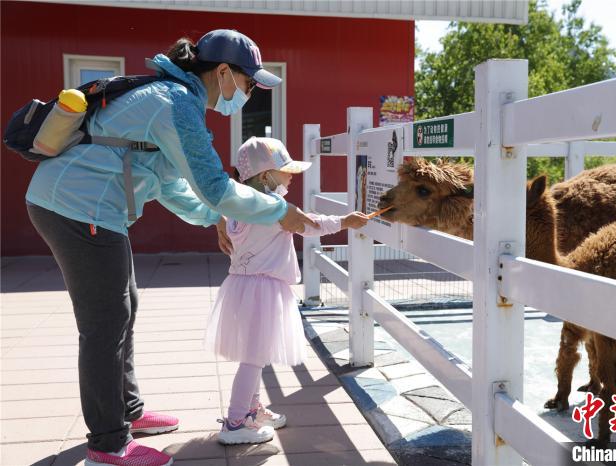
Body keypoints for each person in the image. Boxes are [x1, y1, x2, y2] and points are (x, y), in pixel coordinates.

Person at [25, 29, 319, 466]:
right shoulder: (177, 103)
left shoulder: (170, 97)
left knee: (125, 307)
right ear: (222, 72)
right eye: (249, 82)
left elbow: (169, 183)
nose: (249, 92)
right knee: (105, 324)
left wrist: (214, 217)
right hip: (76, 208)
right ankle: (108, 444)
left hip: (92, 210)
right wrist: (278, 212)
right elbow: (216, 186)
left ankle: (127, 413)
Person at [204, 137, 368, 444]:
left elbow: (217, 210)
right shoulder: (273, 209)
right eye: (285, 170)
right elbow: (310, 224)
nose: (292, 176)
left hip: (241, 286)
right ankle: (236, 422)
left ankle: (251, 411)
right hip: (263, 288)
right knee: (254, 357)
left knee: (254, 352)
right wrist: (345, 221)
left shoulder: (234, 207)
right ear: (266, 177)